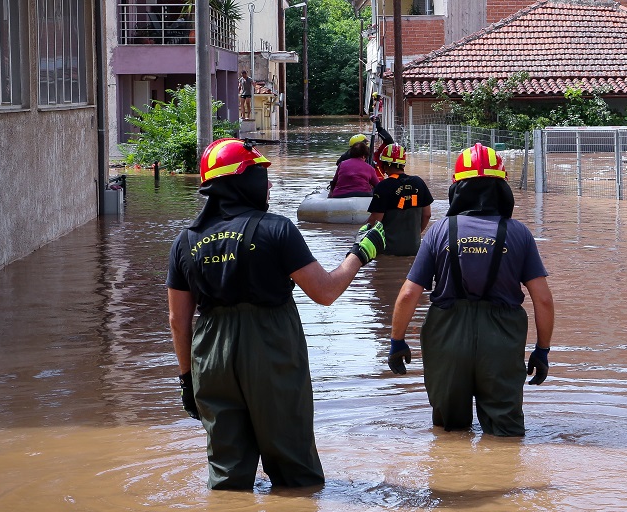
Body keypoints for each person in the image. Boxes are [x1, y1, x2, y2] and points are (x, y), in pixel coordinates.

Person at [166, 138, 385, 490]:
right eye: (259, 175)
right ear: (241, 179)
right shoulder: (276, 229)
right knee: (294, 470)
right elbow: (325, 292)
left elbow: (179, 320)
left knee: (226, 474)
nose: (268, 185)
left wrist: (186, 380)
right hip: (271, 349)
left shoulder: (186, 240)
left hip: (210, 356)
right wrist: (359, 253)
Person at [386, 143, 554, 437]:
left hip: (446, 338)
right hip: (501, 340)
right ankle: (505, 479)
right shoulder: (519, 233)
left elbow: (409, 294)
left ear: (457, 188)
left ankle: (451, 479)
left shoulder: (439, 231)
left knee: (448, 432)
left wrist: (397, 340)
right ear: (501, 187)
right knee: (506, 432)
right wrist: (542, 350)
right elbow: (543, 299)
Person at [365, 143, 433, 256]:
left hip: (388, 251)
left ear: (384, 164)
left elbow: (375, 220)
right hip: (414, 249)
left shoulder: (383, 186)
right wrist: (415, 234)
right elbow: (427, 214)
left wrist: (361, 236)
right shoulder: (419, 182)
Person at [328, 134, 380, 198]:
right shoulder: (370, 168)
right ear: (364, 156)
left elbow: (334, 182)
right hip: (364, 194)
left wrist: (330, 195)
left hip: (340, 194)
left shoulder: (342, 164)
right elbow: (378, 186)